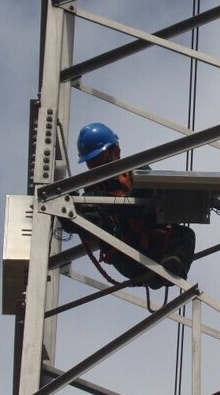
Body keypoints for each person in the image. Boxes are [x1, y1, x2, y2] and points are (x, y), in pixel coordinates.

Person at [64, 122, 196, 289]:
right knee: (92, 217)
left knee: (185, 235)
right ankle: (160, 272)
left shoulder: (137, 170)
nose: (95, 166)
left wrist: (118, 201)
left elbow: (145, 193)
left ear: (115, 151)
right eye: (91, 162)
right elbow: (87, 221)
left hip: (156, 244)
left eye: (98, 158)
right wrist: (69, 211)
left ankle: (171, 267)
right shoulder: (92, 192)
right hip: (125, 254)